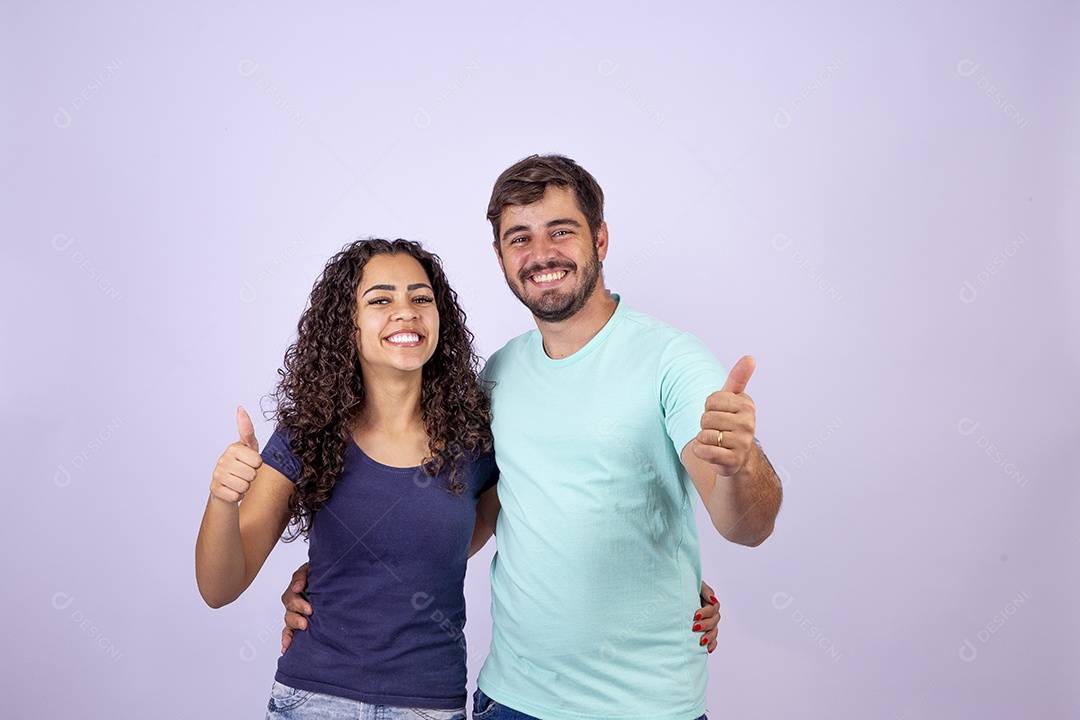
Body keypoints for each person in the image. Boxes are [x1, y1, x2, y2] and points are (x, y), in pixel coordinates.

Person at [283, 155, 780, 720]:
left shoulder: (673, 361)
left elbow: (747, 525)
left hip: (646, 708)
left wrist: (741, 469)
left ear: (601, 239)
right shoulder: (497, 375)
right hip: (509, 703)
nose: (541, 254)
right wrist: (342, 578)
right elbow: (473, 517)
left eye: (561, 231)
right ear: (500, 257)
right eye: (520, 238)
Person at [195, 239, 501, 719]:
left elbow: (468, 533)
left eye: (421, 298)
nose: (406, 313)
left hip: (430, 705)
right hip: (313, 701)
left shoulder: (477, 440)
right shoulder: (308, 434)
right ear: (348, 323)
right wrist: (221, 498)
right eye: (380, 300)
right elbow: (219, 588)